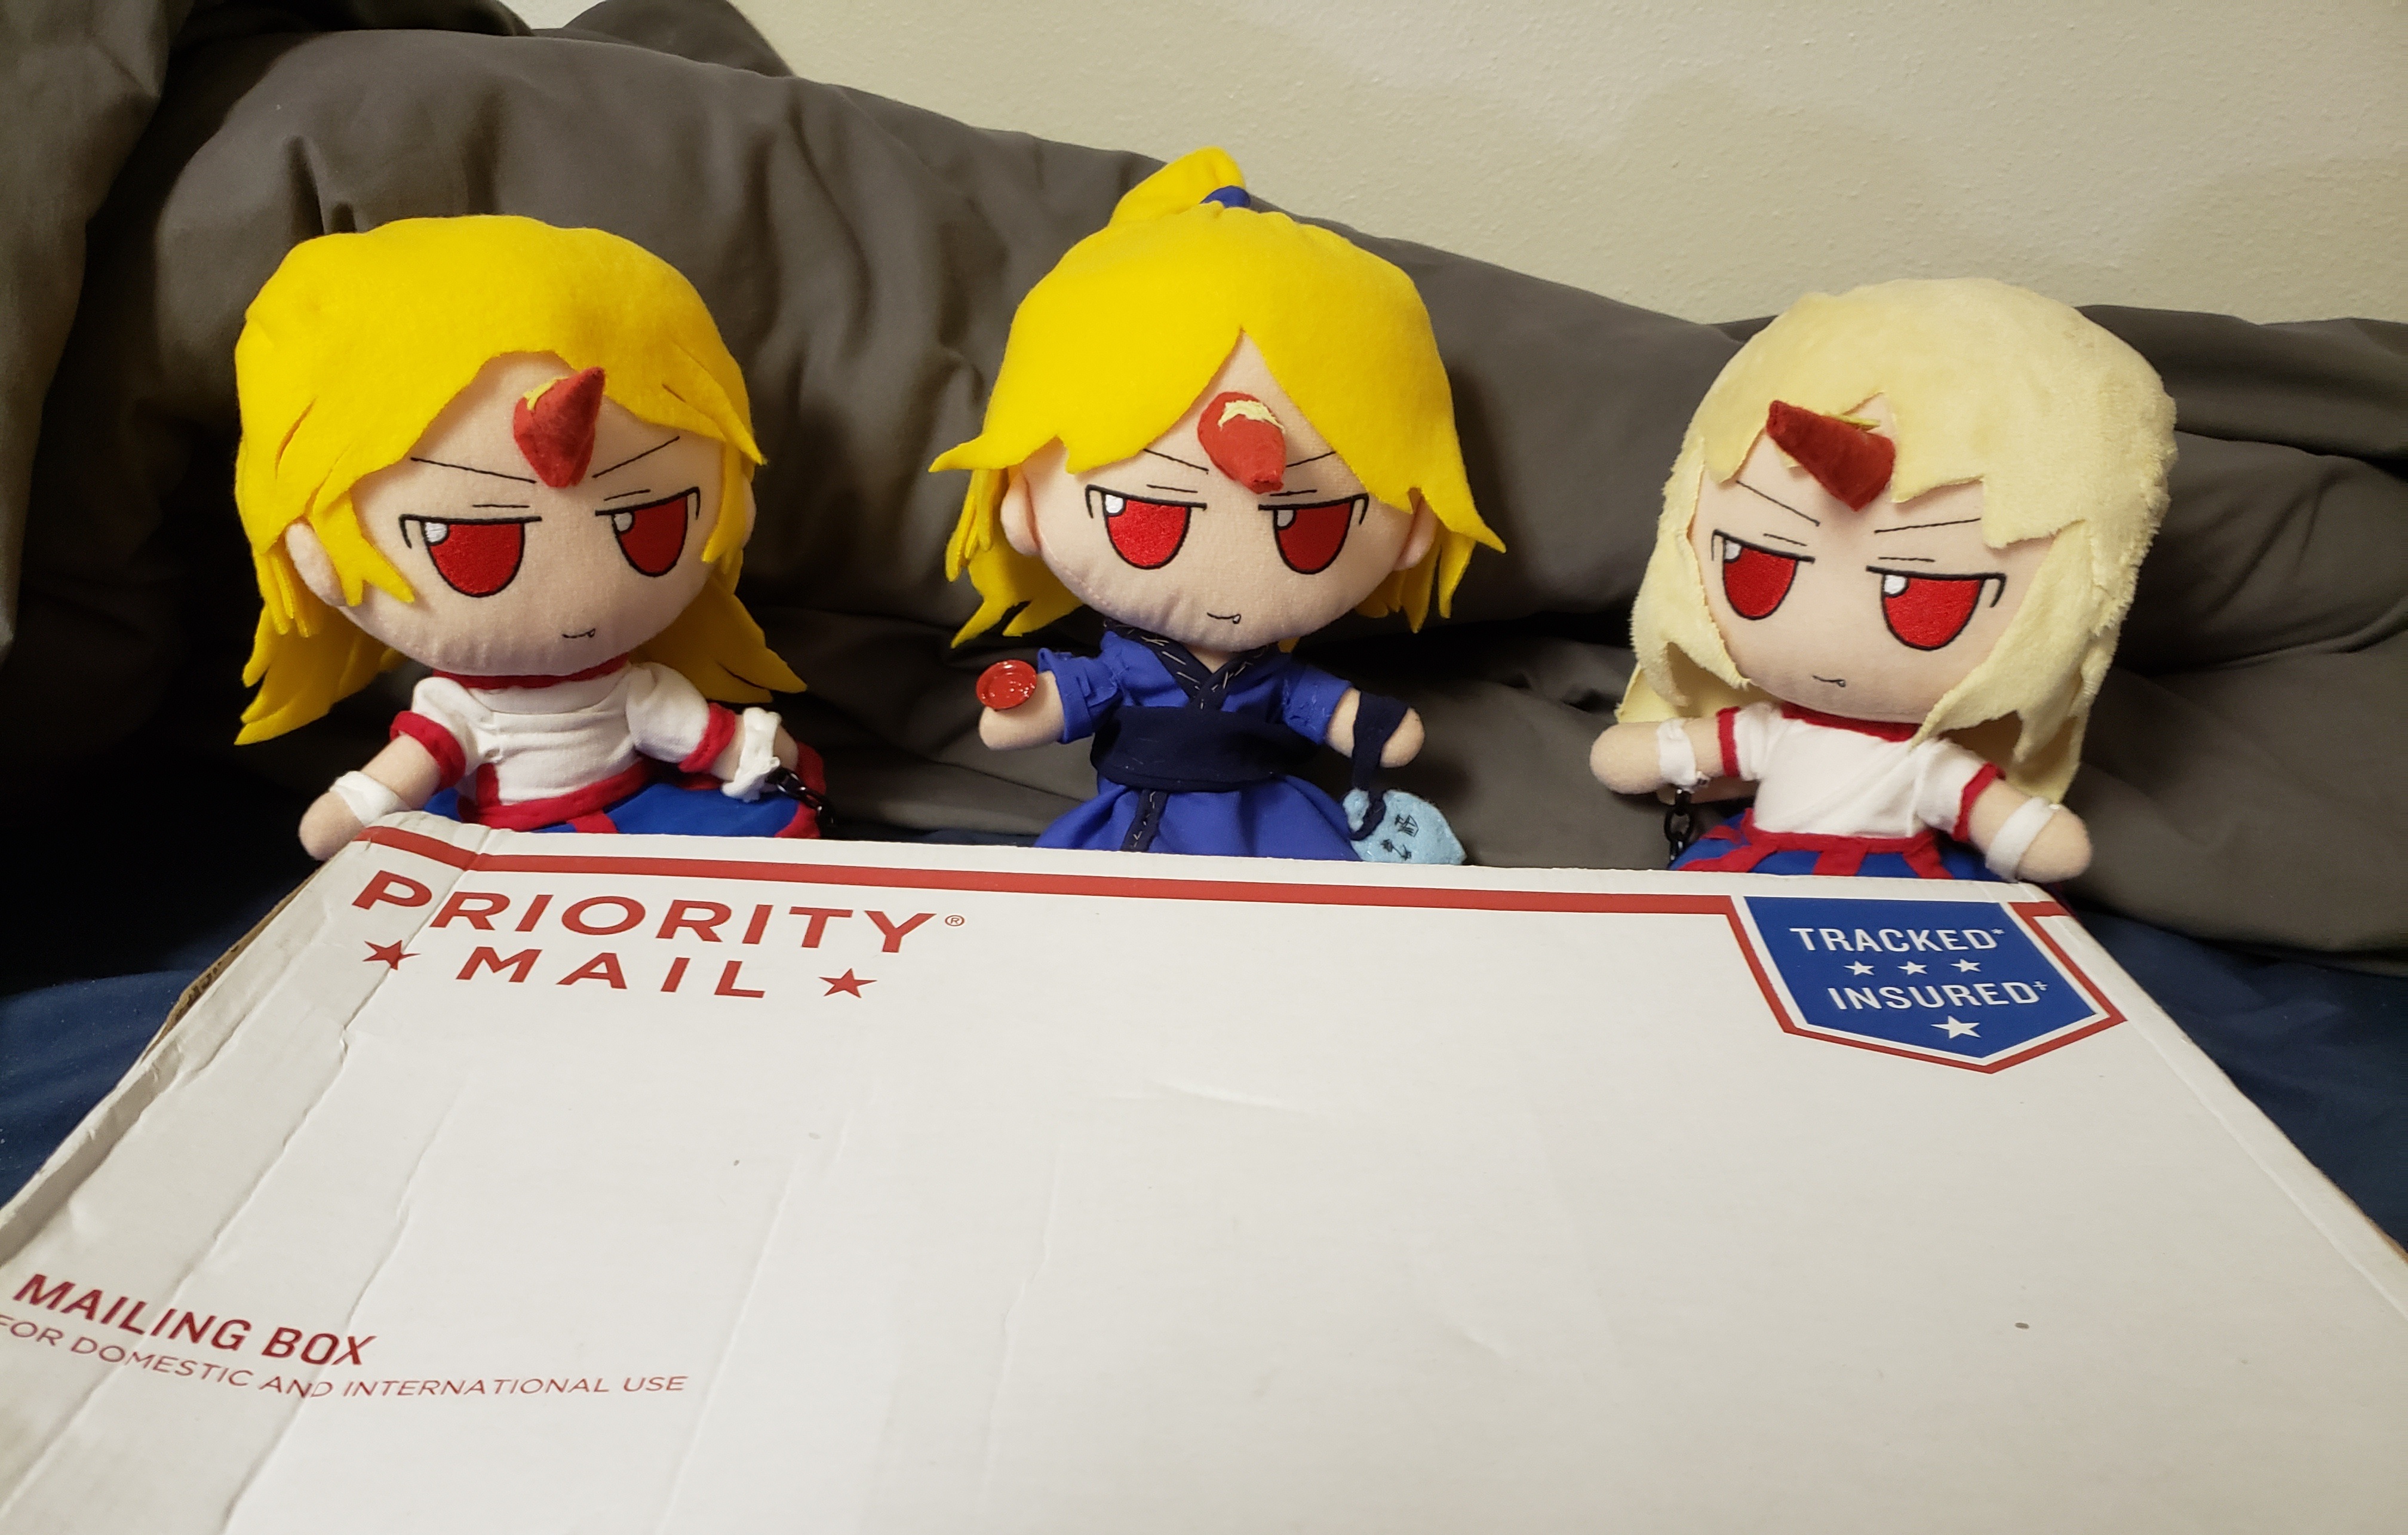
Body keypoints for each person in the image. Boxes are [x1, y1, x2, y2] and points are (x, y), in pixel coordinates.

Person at [932, 148, 1501, 859]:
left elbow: (1327, 709)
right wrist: (1027, 701)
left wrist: (1368, 726)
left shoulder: (1274, 679)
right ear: (1022, 508)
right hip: (1139, 821)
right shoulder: (1127, 669)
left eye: (1311, 528)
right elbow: (1044, 709)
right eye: (1149, 522)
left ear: (1413, 531)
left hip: (1274, 819)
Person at [233, 215, 821, 857]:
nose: (579, 598)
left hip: (641, 809)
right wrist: (359, 807)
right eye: (476, 550)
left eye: (651, 527)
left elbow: (703, 735)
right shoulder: (461, 712)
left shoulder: (633, 690)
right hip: (499, 843)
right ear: (315, 558)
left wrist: (755, 751)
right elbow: (398, 776)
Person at [1589, 278, 2175, 882]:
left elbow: (2029, 837)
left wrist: (2026, 832)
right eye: (1759, 569)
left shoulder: (1928, 766)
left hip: (1892, 886)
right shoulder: (1772, 733)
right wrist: (1664, 753)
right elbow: (1638, 759)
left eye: (1926, 598)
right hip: (1761, 862)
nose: (1827, 630)